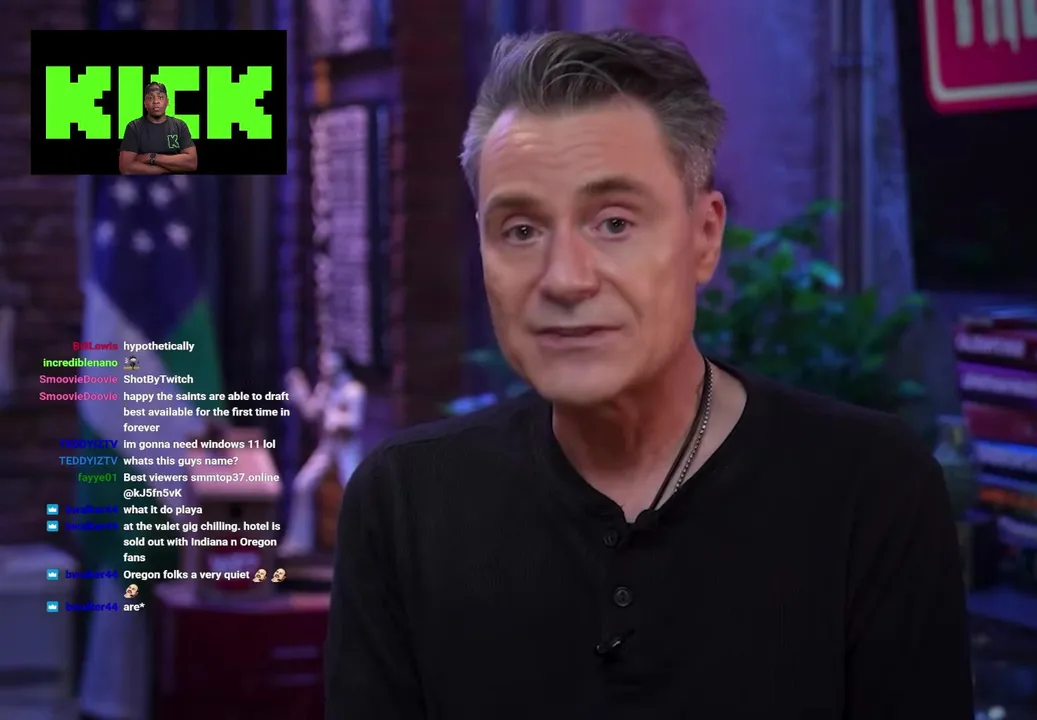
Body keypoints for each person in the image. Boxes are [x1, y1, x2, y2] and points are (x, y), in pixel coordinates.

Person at [326, 30, 972, 718]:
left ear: (705, 236)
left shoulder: (868, 488)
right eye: (521, 230)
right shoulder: (405, 504)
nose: (565, 278)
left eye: (613, 223)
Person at [279, 349, 366, 557]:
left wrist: (335, 419)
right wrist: (300, 392)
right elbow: (311, 412)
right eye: (321, 359)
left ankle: (364, 547)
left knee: (356, 493)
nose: (322, 363)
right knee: (302, 485)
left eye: (326, 358)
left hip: (346, 449)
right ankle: (299, 542)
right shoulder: (325, 388)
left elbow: (354, 422)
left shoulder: (354, 390)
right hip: (327, 449)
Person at [118, 82, 198, 175]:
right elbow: (126, 168)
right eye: (150, 98)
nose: (156, 101)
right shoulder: (134, 127)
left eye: (160, 97)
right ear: (145, 103)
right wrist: (171, 169)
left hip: (175, 182)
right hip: (145, 181)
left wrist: (152, 157)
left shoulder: (179, 126)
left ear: (167, 102)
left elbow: (192, 163)